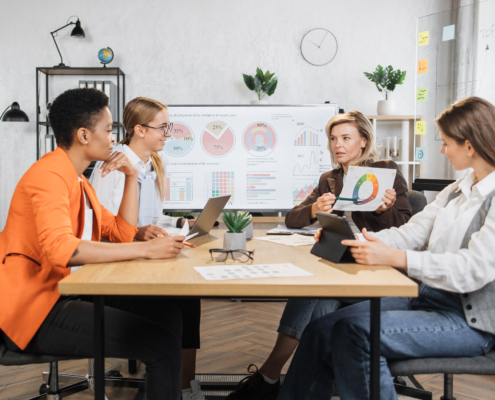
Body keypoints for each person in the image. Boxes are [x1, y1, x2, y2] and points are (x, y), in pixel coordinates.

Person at [280, 96, 495, 400]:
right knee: (319, 331)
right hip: (425, 298)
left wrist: (396, 258)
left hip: (469, 321)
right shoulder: (456, 190)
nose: (442, 150)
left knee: (353, 335)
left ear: (470, 145)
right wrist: (353, 241)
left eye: (446, 142)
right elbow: (411, 233)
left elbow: (472, 270)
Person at [0, 88, 186, 400]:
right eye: (108, 130)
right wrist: (145, 249)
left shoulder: (78, 181)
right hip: (37, 308)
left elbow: (121, 231)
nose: (115, 138)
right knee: (162, 345)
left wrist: (129, 177)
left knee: (168, 314)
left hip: (67, 291)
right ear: (84, 135)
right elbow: (63, 249)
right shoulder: (48, 176)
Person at [227, 110, 412, 400]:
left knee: (314, 294)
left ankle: (268, 377)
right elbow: (292, 219)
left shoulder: (385, 171)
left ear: (363, 141)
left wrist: (382, 209)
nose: (337, 144)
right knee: (319, 300)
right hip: (339, 264)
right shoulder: (330, 179)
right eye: (333, 138)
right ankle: (282, 382)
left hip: (374, 270)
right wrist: (315, 209)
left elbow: (404, 227)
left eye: (346, 138)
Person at [91, 97, 202, 400]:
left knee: (190, 297)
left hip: (143, 258)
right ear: (139, 129)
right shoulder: (113, 166)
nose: (168, 133)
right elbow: (102, 228)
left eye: (169, 127)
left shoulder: (154, 163)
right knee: (182, 301)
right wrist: (139, 233)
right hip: (119, 265)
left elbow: (150, 219)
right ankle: (176, 384)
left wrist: (175, 220)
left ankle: (184, 385)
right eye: (163, 127)